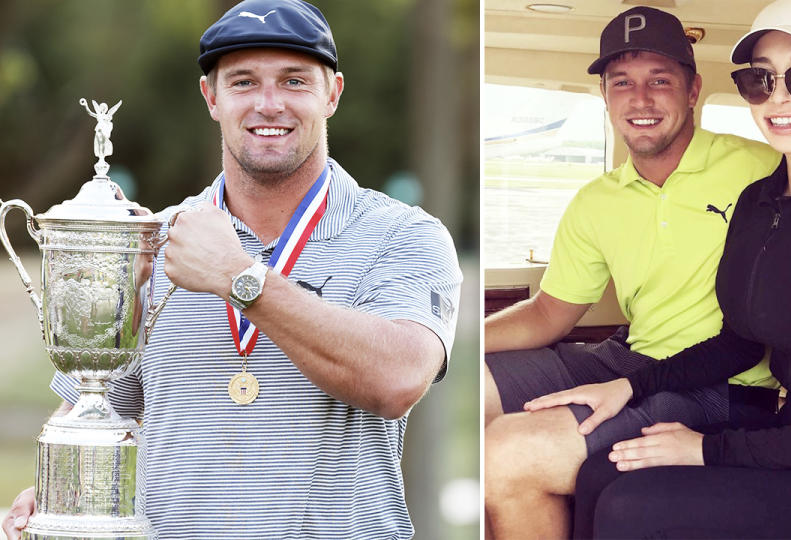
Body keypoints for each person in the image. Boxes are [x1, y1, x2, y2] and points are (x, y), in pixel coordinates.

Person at [483, 5, 791, 540]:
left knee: (626, 506)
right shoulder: (759, 202)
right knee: (600, 476)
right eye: (761, 79)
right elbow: (741, 342)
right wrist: (627, 387)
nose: (780, 96)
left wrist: (705, 448)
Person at [2, 0, 461, 538]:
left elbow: (399, 378)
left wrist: (241, 278)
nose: (269, 105)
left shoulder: (405, 234)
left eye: (294, 81)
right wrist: (53, 495)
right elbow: (97, 407)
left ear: (332, 93)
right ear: (211, 97)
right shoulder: (155, 240)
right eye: (243, 82)